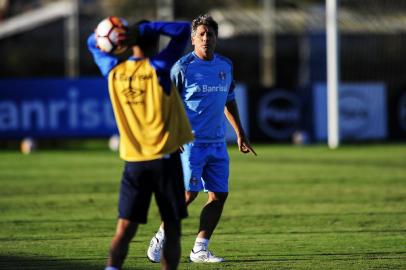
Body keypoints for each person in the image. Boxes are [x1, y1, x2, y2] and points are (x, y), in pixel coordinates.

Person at [147, 14, 256, 264]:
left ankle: (200, 248)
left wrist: (240, 132)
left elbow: (228, 100)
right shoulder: (182, 67)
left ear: (216, 38)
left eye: (211, 34)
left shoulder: (225, 65)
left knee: (219, 195)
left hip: (217, 143)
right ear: (193, 39)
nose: (207, 38)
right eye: (202, 34)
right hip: (190, 143)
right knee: (188, 193)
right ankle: (161, 235)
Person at [88, 19, 194, 270]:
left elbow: (90, 41)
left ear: (125, 42)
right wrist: (148, 28)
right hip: (164, 160)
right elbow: (183, 30)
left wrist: (118, 36)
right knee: (172, 227)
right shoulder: (158, 68)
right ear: (155, 42)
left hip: (133, 163)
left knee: (124, 228)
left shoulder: (114, 71)